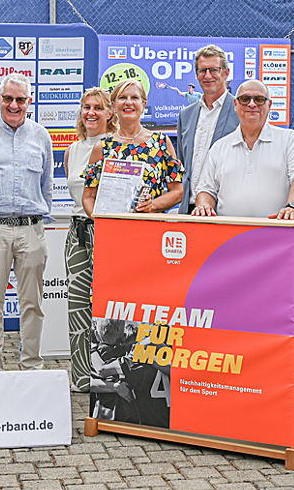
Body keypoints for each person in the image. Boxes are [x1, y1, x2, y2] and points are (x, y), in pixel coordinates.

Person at [0, 73, 52, 371]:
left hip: (32, 228)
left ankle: (31, 367)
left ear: (30, 101)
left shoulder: (41, 135)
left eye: (20, 99)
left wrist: (40, 220)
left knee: (33, 303)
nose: (14, 105)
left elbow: (46, 184)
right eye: (8, 98)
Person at [191, 80, 294, 219]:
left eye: (259, 99)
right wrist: (203, 205)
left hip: (278, 228)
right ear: (235, 104)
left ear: (269, 105)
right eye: (245, 99)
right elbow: (206, 190)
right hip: (228, 230)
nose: (252, 104)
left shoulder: (290, 140)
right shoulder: (219, 147)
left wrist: (293, 207)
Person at [65, 87, 115, 391]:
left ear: (110, 113)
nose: (91, 113)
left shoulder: (116, 146)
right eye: (87, 107)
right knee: (77, 306)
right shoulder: (72, 150)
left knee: (107, 306)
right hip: (76, 232)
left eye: (98, 107)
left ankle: (106, 375)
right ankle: (81, 377)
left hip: (106, 233)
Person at [82, 79, 184, 216]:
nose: (128, 102)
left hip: (152, 226)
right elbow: (88, 197)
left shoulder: (161, 143)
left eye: (135, 98)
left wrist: (152, 205)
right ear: (113, 105)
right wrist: (101, 222)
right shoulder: (102, 147)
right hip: (112, 228)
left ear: (144, 104)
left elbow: (178, 192)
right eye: (122, 98)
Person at [177, 45, 239, 213]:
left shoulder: (241, 112)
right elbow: (183, 163)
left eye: (214, 70)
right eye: (202, 71)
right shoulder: (186, 115)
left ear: (226, 73)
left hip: (224, 211)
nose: (208, 76)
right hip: (189, 210)